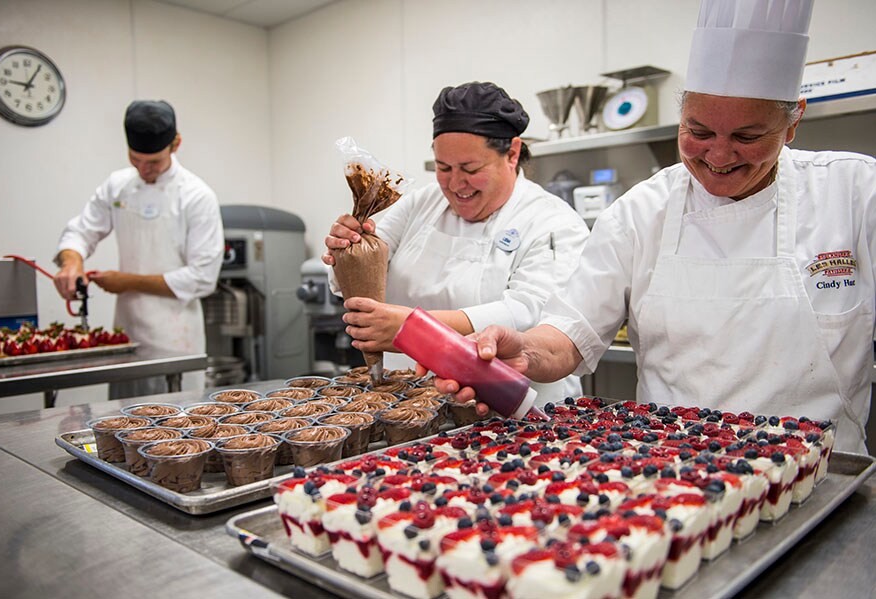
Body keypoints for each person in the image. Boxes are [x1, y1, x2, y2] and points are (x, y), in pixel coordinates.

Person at [434, 0, 875, 454]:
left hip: (825, 471)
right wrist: (524, 351)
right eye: (698, 132)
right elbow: (570, 332)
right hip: (674, 474)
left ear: (793, 121)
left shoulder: (856, 193)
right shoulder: (640, 213)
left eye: (747, 137)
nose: (718, 156)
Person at [323, 81, 590, 402]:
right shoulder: (420, 204)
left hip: (512, 407)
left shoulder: (552, 221)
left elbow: (530, 314)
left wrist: (414, 330)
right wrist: (348, 253)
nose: (455, 183)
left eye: (470, 168)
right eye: (443, 168)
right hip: (405, 400)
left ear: (512, 153)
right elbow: (359, 276)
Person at [54, 100, 224, 399]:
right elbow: (81, 230)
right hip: (125, 339)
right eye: (135, 160)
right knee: (121, 425)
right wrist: (71, 262)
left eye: (153, 163)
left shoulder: (197, 196)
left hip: (174, 342)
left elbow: (202, 278)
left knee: (175, 432)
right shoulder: (117, 185)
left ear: (176, 144)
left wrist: (127, 282)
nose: (143, 169)